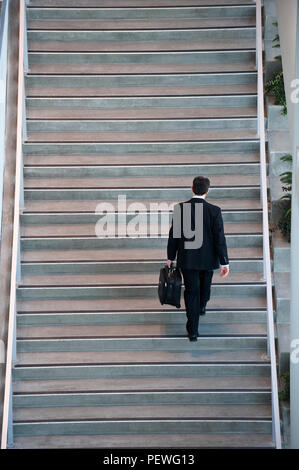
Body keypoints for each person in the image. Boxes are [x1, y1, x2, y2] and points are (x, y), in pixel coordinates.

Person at [167, 176, 229, 342]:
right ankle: (202, 305)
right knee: (205, 289)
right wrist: (224, 261)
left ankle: (193, 330)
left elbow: (174, 235)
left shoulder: (181, 208)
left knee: (191, 292)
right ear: (207, 191)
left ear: (191, 188)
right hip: (208, 260)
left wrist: (170, 257)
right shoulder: (214, 210)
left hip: (188, 260)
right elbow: (219, 238)